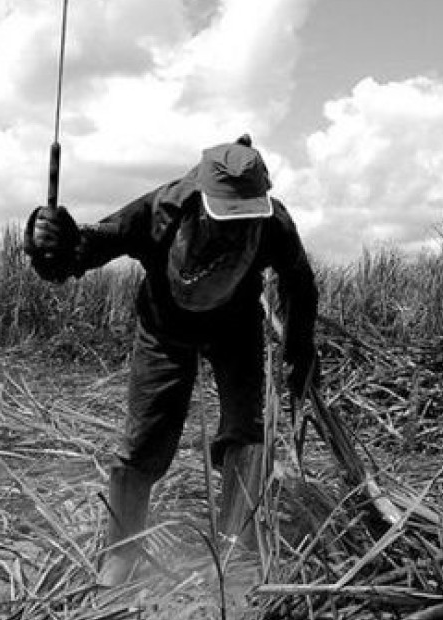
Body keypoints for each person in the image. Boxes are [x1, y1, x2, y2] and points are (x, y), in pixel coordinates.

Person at [23, 135, 319, 587]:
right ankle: (121, 555)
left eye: (245, 217)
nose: (235, 229)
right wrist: (54, 243)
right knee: (142, 444)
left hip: (235, 329)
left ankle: (236, 551)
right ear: (201, 199)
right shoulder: (159, 212)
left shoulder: (272, 222)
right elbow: (83, 252)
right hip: (165, 330)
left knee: (249, 435)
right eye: (225, 217)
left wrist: (301, 351)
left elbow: (300, 285)